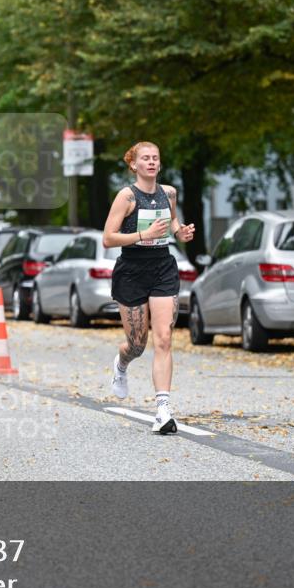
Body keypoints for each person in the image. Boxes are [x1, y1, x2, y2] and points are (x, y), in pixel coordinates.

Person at [103, 141, 195, 435]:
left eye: (156, 157)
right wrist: (143, 234)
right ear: (134, 165)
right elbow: (108, 238)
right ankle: (122, 362)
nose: (152, 162)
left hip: (162, 267)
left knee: (164, 338)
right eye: (146, 158)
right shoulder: (126, 197)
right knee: (138, 344)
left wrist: (181, 232)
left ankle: (163, 410)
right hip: (131, 271)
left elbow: (173, 222)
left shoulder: (169, 193)